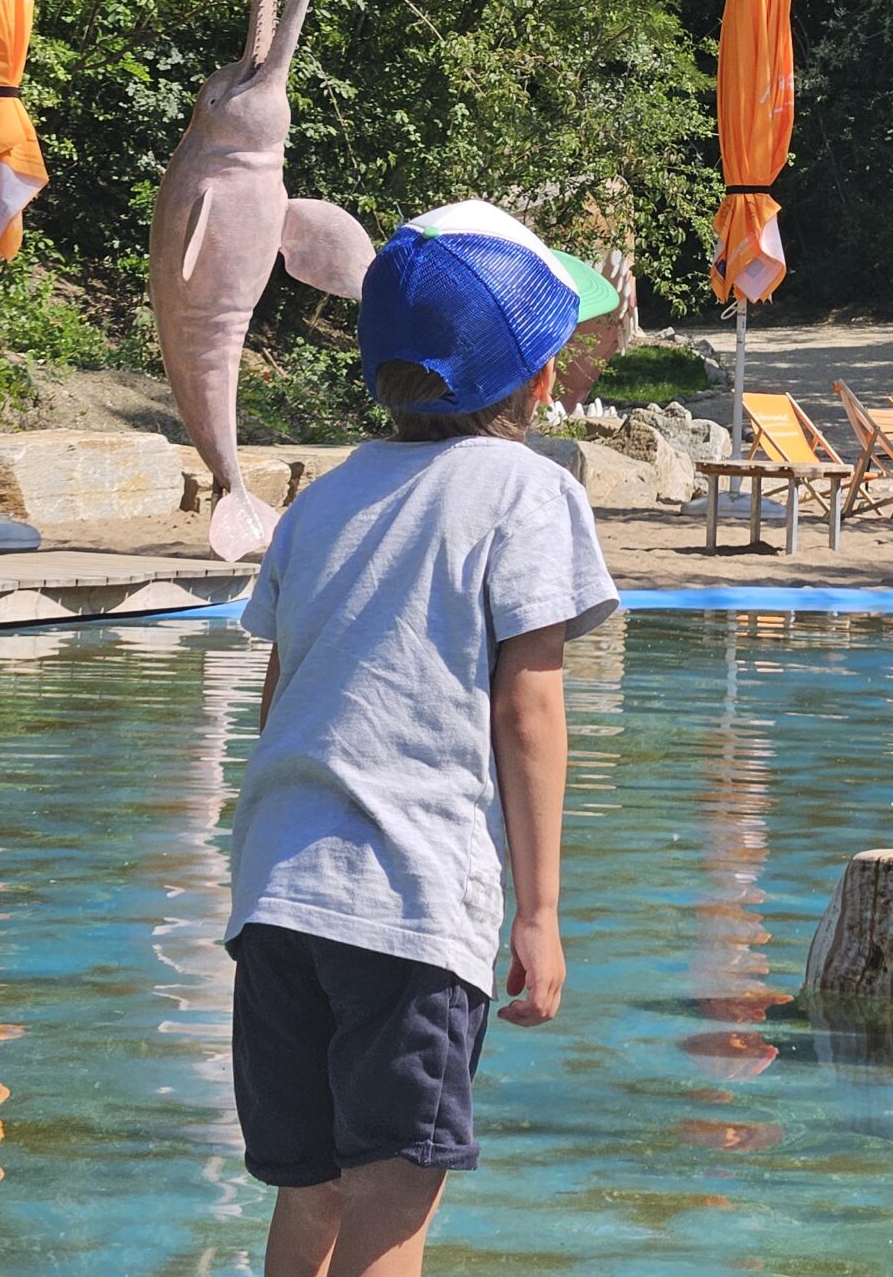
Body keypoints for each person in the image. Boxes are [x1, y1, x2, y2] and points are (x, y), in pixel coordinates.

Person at [227, 200, 621, 1277]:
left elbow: (280, 691)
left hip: (274, 902)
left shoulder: (323, 500)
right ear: (538, 380)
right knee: (391, 1212)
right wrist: (538, 916)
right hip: (406, 908)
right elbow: (529, 703)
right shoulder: (530, 491)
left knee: (309, 1201)